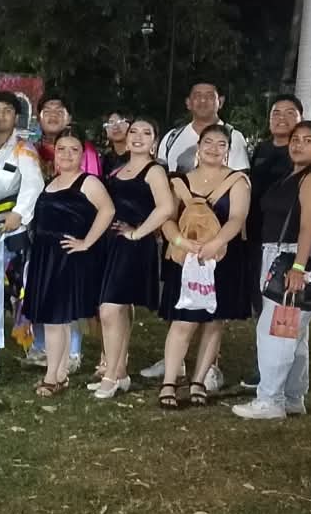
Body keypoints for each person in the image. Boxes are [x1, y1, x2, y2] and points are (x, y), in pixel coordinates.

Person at [233, 122, 311, 421]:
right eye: (295, 139)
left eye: (308, 140)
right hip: (279, 255)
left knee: (276, 330)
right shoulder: (293, 176)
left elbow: (308, 226)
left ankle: (270, 399)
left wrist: (298, 267)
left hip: (292, 258)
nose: (298, 144)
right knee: (292, 333)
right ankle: (291, 397)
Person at [156, 125, 252, 408]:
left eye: (221, 144)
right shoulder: (180, 182)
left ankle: (199, 380)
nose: (213, 148)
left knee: (213, 321)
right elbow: (167, 218)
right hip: (186, 259)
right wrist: (182, 242)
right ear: (198, 147)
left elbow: (237, 218)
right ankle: (169, 382)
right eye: (208, 142)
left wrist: (216, 243)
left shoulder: (238, 181)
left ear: (228, 151)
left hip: (222, 258)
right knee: (183, 320)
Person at [20, 129, 115, 396]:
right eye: (61, 149)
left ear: (83, 154)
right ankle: (59, 373)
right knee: (55, 320)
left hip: (67, 258)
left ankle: (53, 375)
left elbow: (108, 210)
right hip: (46, 257)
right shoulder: (52, 182)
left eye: (74, 150)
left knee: (56, 319)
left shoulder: (88, 182)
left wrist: (86, 242)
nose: (66, 154)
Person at [94, 119, 174, 399]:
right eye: (134, 132)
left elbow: (166, 208)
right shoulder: (118, 170)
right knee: (120, 308)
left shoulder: (155, 171)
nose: (139, 137)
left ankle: (110, 375)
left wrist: (138, 233)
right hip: (112, 245)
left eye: (146, 132)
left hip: (133, 246)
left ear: (155, 141)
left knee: (109, 309)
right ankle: (120, 372)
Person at [0, 91, 44, 377]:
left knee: (11, 291)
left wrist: (19, 214)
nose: (0, 116)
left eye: (7, 110)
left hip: (8, 230)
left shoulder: (23, 148)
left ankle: (0, 349)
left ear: (16, 117)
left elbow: (33, 183)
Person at [35, 97, 101, 177]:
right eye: (47, 111)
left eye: (59, 112)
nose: (53, 115)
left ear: (69, 118)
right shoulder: (32, 150)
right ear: (39, 119)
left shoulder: (85, 150)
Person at [99, 112, 132, 177]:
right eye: (111, 123)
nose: (115, 126)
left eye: (120, 122)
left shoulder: (137, 156)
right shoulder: (104, 160)